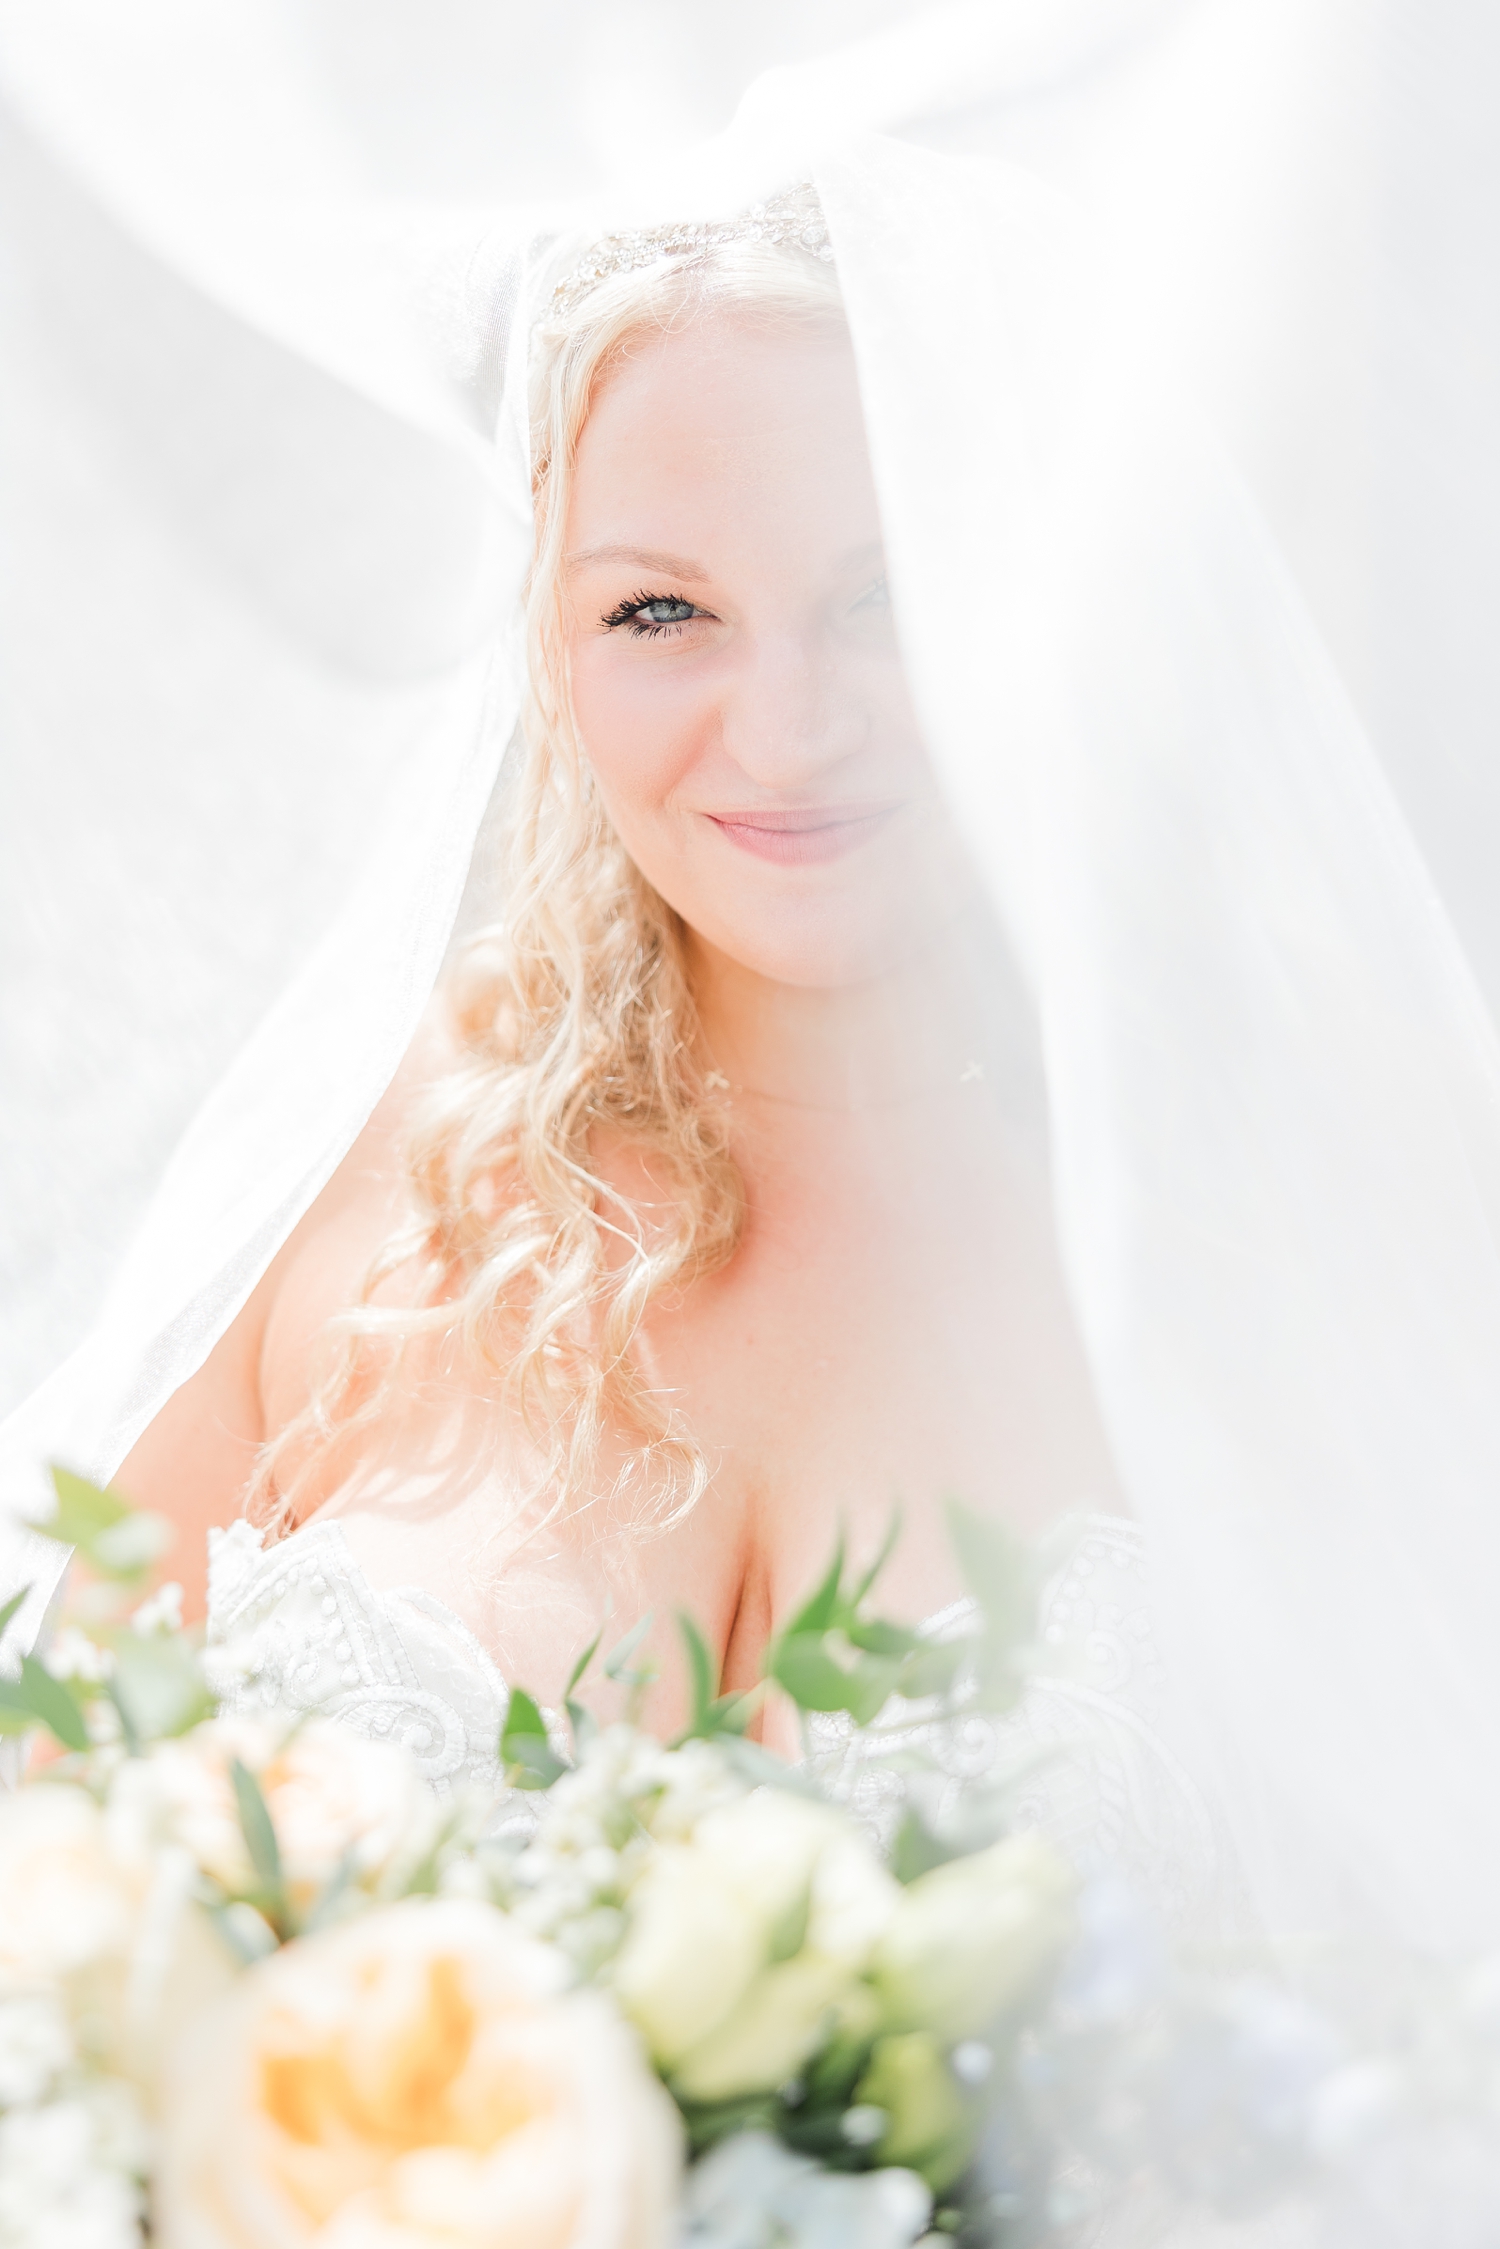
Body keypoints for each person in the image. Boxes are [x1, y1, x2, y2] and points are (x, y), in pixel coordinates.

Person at [116, 197, 1126, 1767]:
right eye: (660, 611)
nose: (787, 734)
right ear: (547, 640)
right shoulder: (361, 1166)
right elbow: (54, 1820)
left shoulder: (1212, 1227)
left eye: (881, 595)